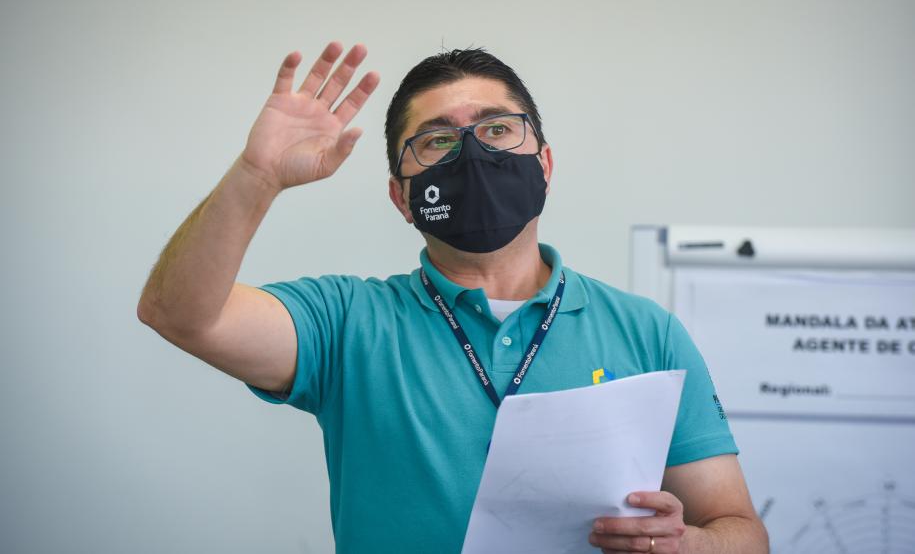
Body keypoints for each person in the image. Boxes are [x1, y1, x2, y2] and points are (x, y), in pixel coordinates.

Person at [137, 41, 769, 553]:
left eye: (497, 128)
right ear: (401, 197)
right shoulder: (347, 323)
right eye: (437, 140)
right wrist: (257, 177)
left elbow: (741, 529)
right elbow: (181, 313)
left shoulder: (645, 332)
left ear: (544, 165)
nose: (472, 151)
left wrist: (686, 546)